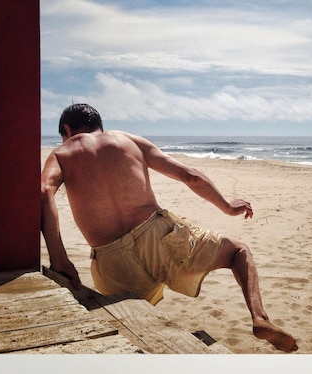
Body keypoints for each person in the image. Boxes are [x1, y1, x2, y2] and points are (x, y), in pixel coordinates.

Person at [40, 103, 297, 353]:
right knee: (238, 252)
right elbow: (190, 175)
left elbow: (43, 191)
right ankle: (260, 318)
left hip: (110, 259)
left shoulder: (62, 154)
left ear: (67, 130)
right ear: (99, 126)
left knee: (131, 323)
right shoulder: (128, 140)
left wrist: (59, 258)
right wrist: (228, 207)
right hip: (159, 235)